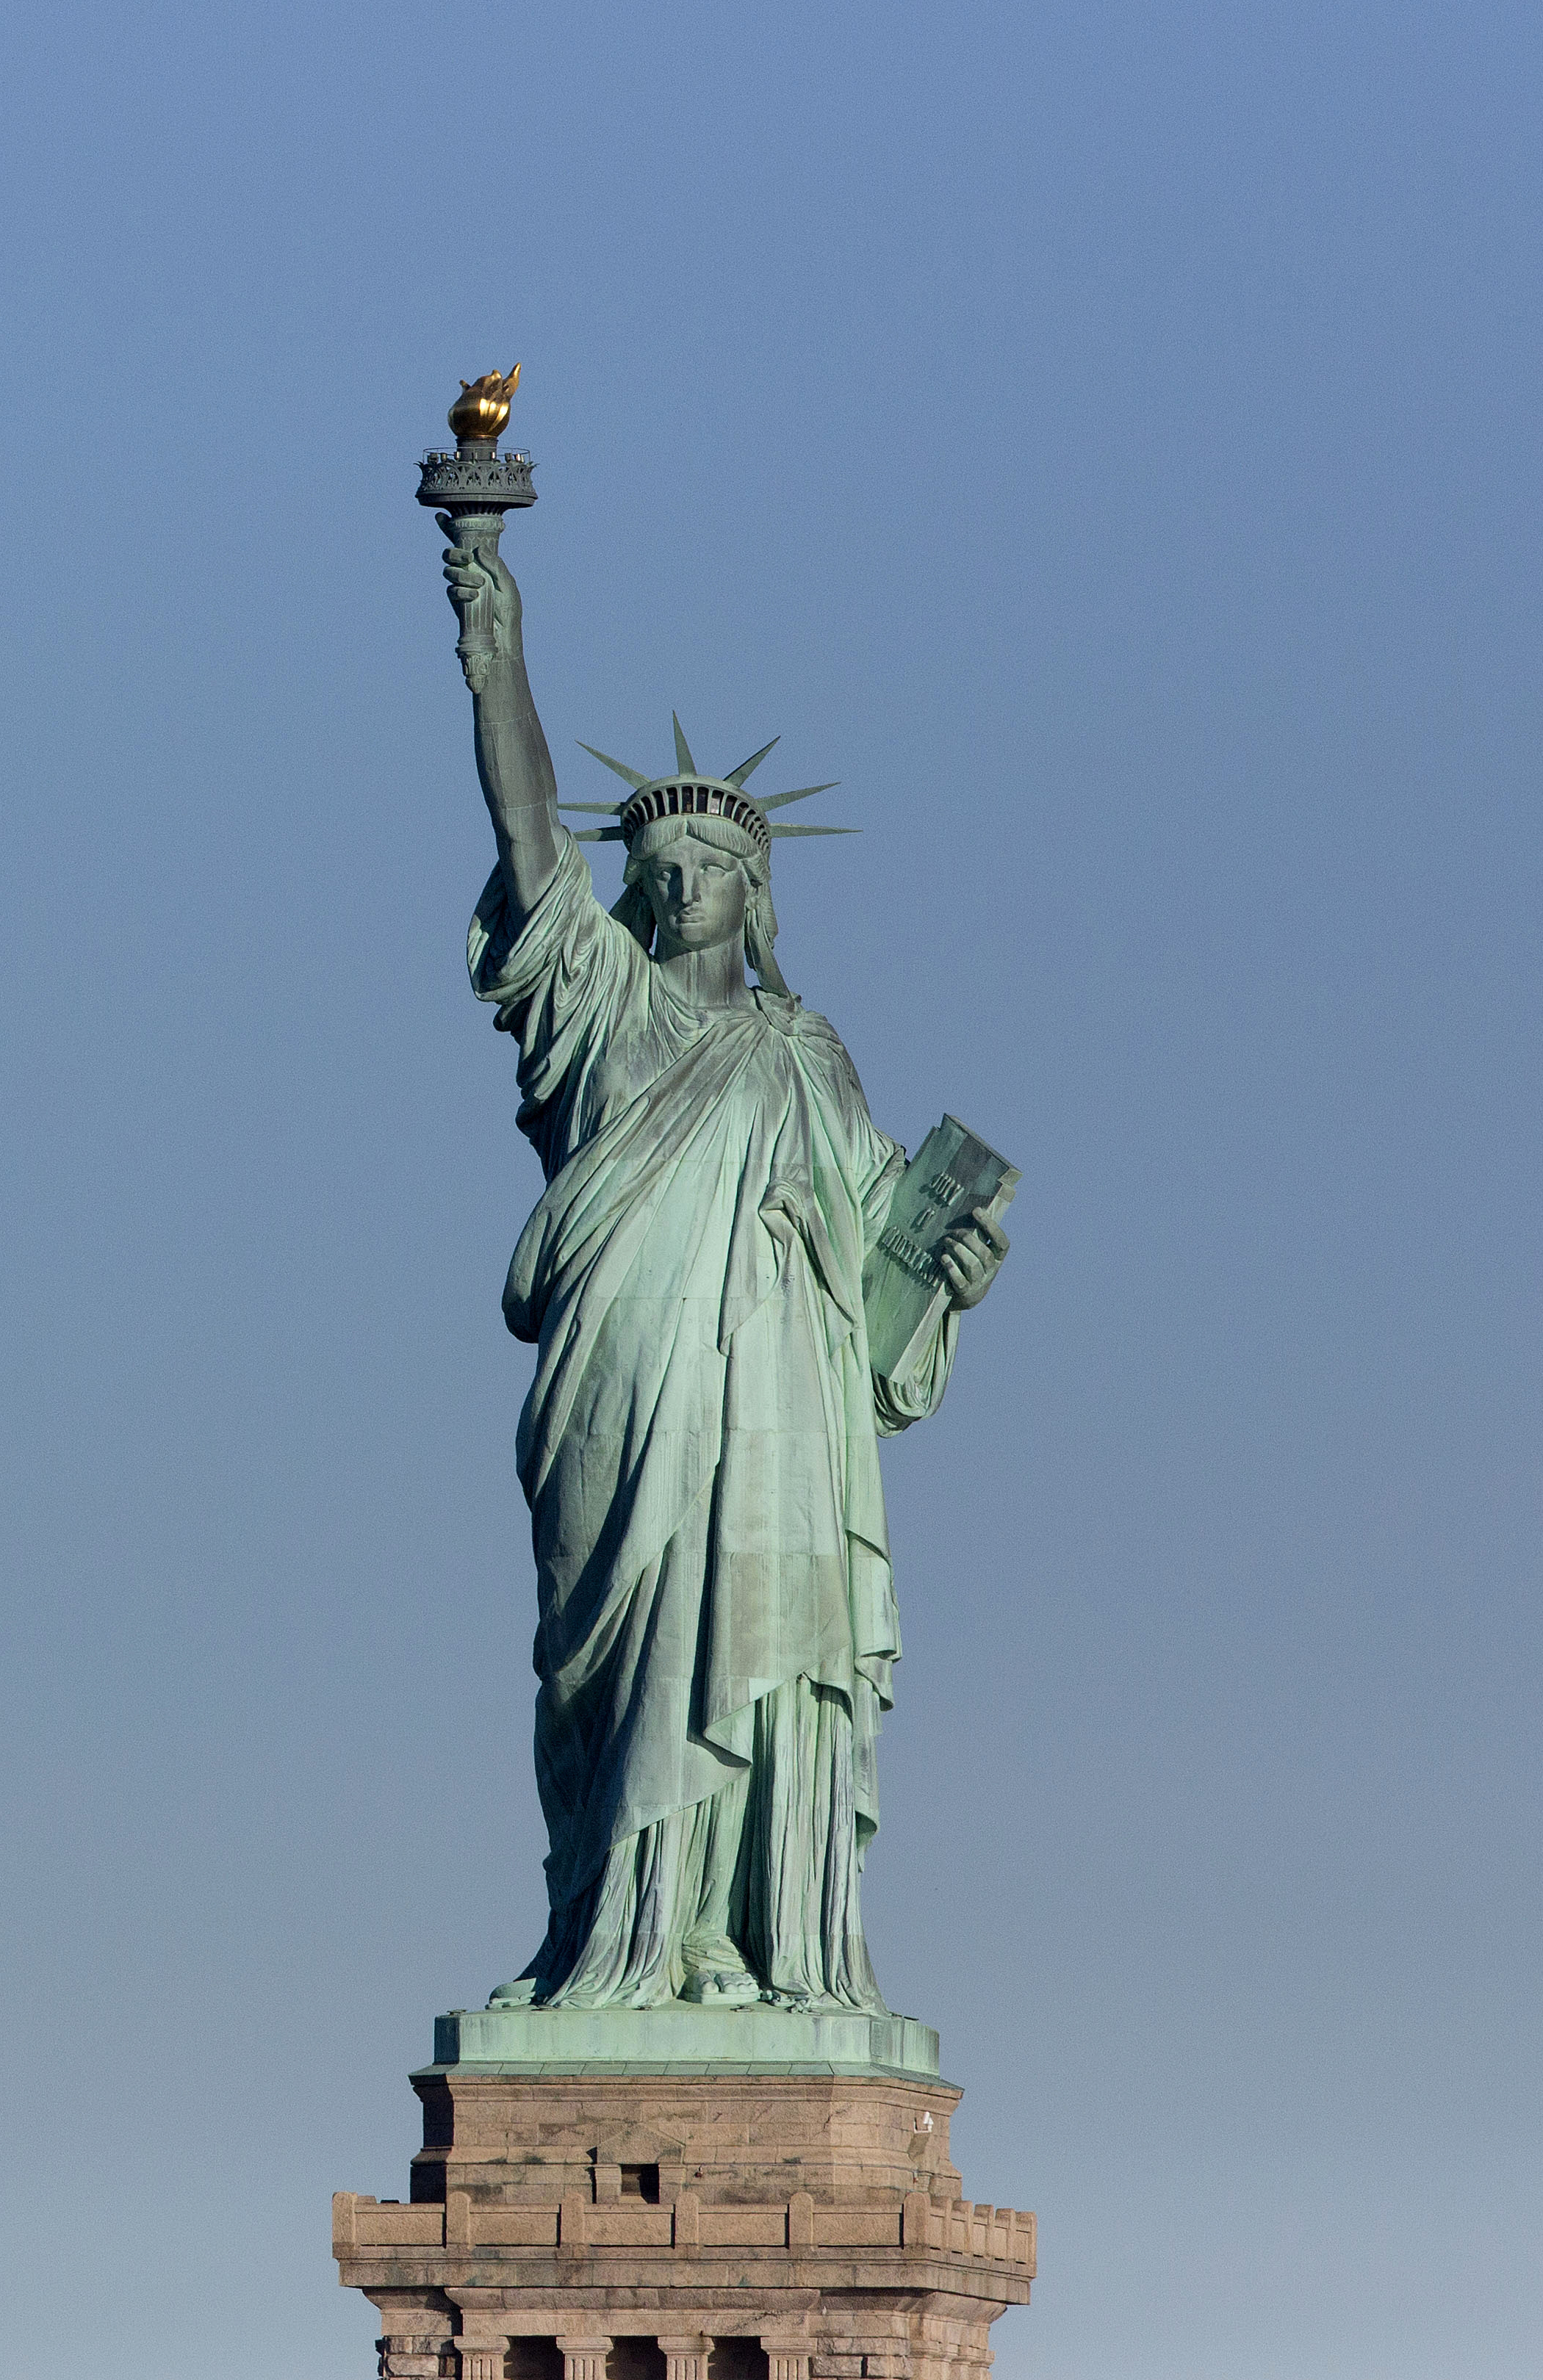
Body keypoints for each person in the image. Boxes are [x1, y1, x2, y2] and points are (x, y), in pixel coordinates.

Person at [439, 531, 1006, 2014]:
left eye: (710, 868)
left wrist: (947, 1261)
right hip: (625, 1389)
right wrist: (493, 638)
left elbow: (882, 1269)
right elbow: (524, 841)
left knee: (758, 1642)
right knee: (619, 1656)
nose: (681, 882)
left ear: (757, 897)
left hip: (774, 1417)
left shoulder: (806, 1054)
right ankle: (619, 1934)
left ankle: (747, 1938)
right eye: (658, 866)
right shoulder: (601, 1009)